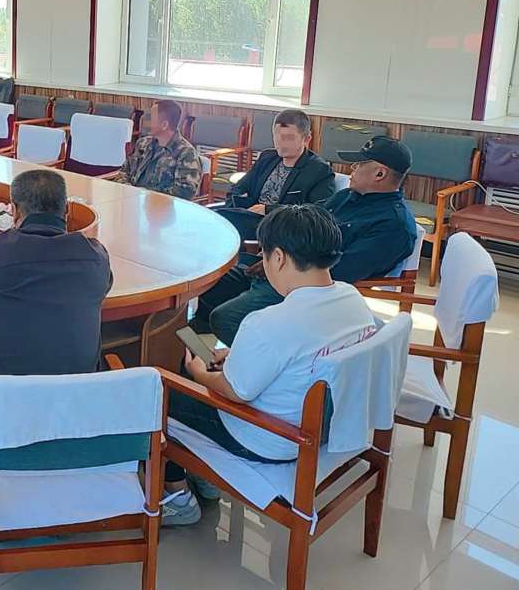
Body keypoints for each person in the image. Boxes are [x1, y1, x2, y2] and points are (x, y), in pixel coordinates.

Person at [161, 204, 377, 526]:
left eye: (263, 255)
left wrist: (199, 374)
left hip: (270, 439)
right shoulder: (352, 299)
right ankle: (203, 477)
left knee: (163, 389)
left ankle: (179, 497)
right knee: (203, 376)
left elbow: (235, 392)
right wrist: (239, 356)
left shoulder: (269, 321)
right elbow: (302, 356)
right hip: (329, 426)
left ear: (279, 257)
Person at [197, 135, 416, 346]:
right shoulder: (349, 196)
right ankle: (202, 341)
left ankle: (265, 365)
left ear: (380, 173)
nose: (353, 168)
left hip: (306, 291)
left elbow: (342, 271)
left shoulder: (393, 226)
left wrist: (282, 264)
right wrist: (272, 254)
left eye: (359, 164)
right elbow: (305, 220)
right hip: (283, 266)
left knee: (225, 319)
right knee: (207, 279)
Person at [0, 169, 113, 375]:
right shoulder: (94, 256)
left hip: (8, 391)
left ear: (14, 210)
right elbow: (104, 286)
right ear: (67, 209)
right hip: (78, 391)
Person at [218, 109, 335, 240]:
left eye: (287, 138)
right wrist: (235, 207)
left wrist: (268, 210)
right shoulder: (267, 157)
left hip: (282, 231)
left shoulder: (319, 170)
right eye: (277, 137)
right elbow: (238, 188)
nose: (280, 143)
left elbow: (318, 214)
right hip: (249, 220)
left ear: (306, 139)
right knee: (214, 220)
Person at [115, 100, 202, 200]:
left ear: (164, 125)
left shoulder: (186, 153)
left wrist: (147, 195)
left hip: (162, 207)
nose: (146, 121)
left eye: (151, 118)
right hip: (132, 201)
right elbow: (124, 172)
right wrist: (131, 192)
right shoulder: (142, 144)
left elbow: (186, 191)